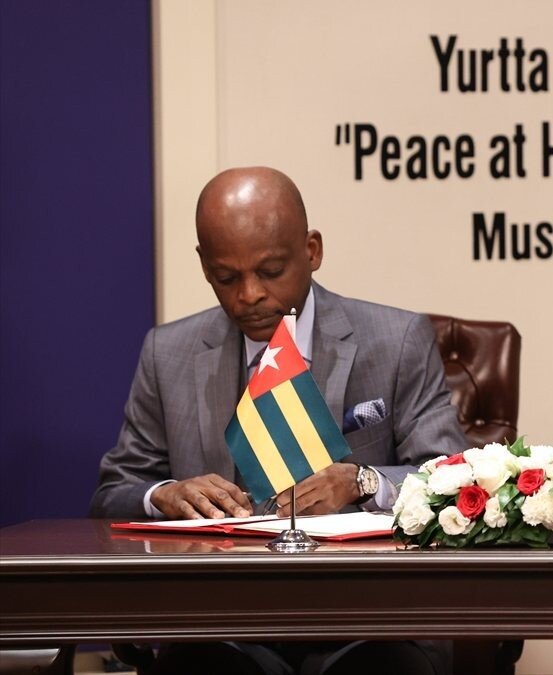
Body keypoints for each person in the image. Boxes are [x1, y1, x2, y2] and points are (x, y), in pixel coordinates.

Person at [90, 166, 467, 675]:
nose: (249, 295)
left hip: (368, 620)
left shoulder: (397, 341)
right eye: (227, 277)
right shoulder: (168, 353)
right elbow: (113, 492)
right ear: (204, 265)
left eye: (270, 272)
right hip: (222, 625)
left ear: (311, 251)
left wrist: (363, 480)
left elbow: (450, 481)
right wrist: (164, 494)